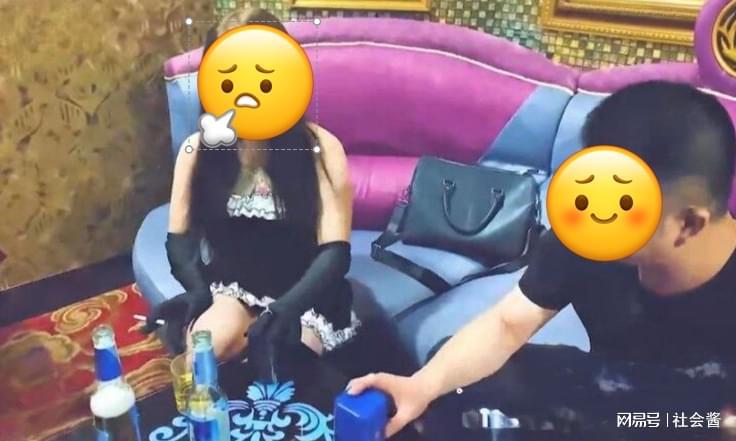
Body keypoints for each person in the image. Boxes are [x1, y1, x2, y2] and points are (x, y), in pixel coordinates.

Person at [347, 81, 736, 437]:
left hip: (706, 417)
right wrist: (421, 386)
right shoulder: (588, 232)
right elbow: (507, 324)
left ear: (688, 224)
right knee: (456, 384)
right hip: (611, 386)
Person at [142, 9, 359, 376]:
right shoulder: (197, 150)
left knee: (286, 370)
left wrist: (286, 308)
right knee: (203, 359)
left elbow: (335, 254)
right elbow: (179, 240)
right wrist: (196, 290)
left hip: (305, 293)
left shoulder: (320, 149)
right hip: (235, 286)